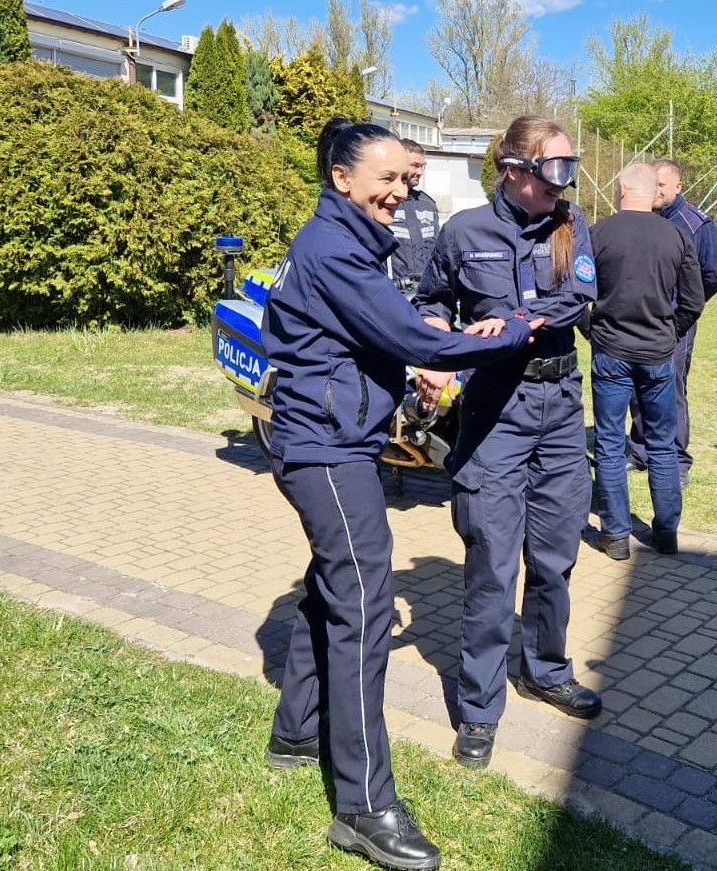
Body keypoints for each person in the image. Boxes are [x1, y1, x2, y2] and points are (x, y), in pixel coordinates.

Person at [260, 117, 541, 871]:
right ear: (341, 178)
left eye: (405, 178)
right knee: (365, 606)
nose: (400, 190)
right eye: (386, 178)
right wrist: (510, 333)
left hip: (332, 441)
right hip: (326, 452)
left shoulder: (345, 241)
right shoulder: (333, 249)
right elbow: (416, 340)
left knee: (333, 587)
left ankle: (295, 731)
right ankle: (363, 806)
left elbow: (377, 336)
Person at [412, 115, 602, 772]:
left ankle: (544, 670)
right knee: (492, 563)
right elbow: (432, 301)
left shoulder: (571, 226)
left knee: (554, 556)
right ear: (516, 170)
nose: (563, 183)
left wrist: (514, 324)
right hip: (496, 407)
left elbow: (577, 300)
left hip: (559, 406)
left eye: (570, 168)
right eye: (554, 169)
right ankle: (479, 707)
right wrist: (435, 349)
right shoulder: (463, 232)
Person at [589, 162, 705, 561]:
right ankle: (666, 532)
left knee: (609, 443)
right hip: (658, 355)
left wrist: (592, 330)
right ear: (654, 192)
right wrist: (670, 334)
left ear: (622, 190)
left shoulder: (599, 233)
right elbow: (693, 300)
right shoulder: (676, 235)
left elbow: (574, 293)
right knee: (661, 444)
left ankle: (616, 536)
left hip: (611, 353)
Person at [625, 158, 717, 489]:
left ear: (678, 187)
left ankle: (677, 460)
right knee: (638, 385)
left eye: (662, 185)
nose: (655, 191)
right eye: (652, 184)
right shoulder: (641, 219)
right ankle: (641, 450)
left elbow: (714, 274)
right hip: (640, 320)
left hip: (674, 323)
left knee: (671, 387)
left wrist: (684, 309)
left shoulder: (695, 225)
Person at [389, 139, 440, 294]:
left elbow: (438, 252)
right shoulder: (384, 202)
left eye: (422, 166)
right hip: (392, 293)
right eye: (415, 166)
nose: (420, 172)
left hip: (425, 294)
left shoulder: (428, 204)